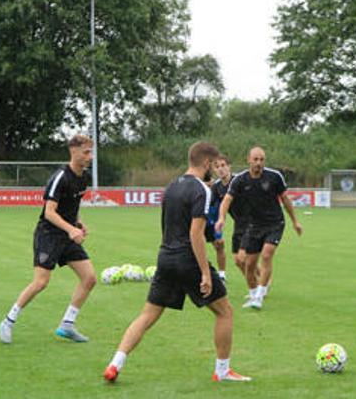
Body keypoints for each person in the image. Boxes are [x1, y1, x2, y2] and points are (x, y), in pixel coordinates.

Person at [104, 141, 250, 383]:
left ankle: (115, 364)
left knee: (148, 315)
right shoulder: (201, 190)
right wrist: (205, 272)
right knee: (225, 312)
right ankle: (222, 371)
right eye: (213, 165)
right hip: (188, 259)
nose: (214, 170)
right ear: (205, 163)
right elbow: (196, 234)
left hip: (165, 257)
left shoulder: (171, 186)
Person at [0, 135, 97, 344]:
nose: (90, 156)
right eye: (86, 152)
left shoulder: (83, 178)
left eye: (91, 152)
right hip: (49, 235)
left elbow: (70, 206)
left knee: (89, 278)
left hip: (68, 235)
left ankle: (67, 325)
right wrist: (71, 229)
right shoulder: (60, 177)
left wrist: (79, 223)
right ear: (74, 151)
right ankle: (8, 321)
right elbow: (49, 212)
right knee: (41, 282)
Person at [216, 147, 302, 309]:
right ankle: (254, 293)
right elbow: (226, 200)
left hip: (275, 223)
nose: (258, 163)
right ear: (248, 159)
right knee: (248, 264)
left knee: (267, 255)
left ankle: (260, 296)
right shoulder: (240, 180)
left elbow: (285, 200)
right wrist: (221, 218)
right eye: (255, 159)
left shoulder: (275, 177)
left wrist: (295, 221)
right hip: (254, 226)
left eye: (261, 159)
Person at [205, 156, 231, 283]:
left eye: (222, 165)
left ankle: (221, 275)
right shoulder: (212, 185)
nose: (220, 169)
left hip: (215, 219)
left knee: (219, 245)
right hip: (202, 218)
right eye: (217, 167)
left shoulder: (234, 182)